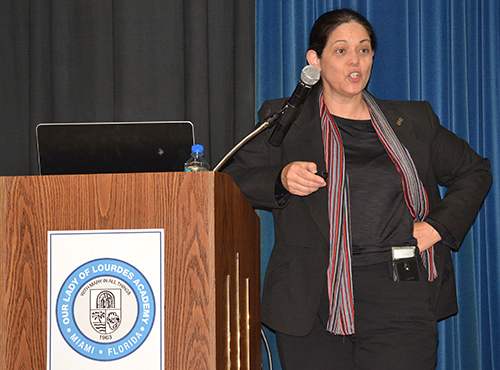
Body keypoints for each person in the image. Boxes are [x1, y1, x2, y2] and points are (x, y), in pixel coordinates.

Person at [224, 8, 492, 370]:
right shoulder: (285, 118)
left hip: (399, 290)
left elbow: (475, 172)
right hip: (312, 296)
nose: (355, 61)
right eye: (341, 50)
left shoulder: (412, 121)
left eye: (364, 50)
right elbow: (231, 176)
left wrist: (437, 228)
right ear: (314, 60)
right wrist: (281, 177)